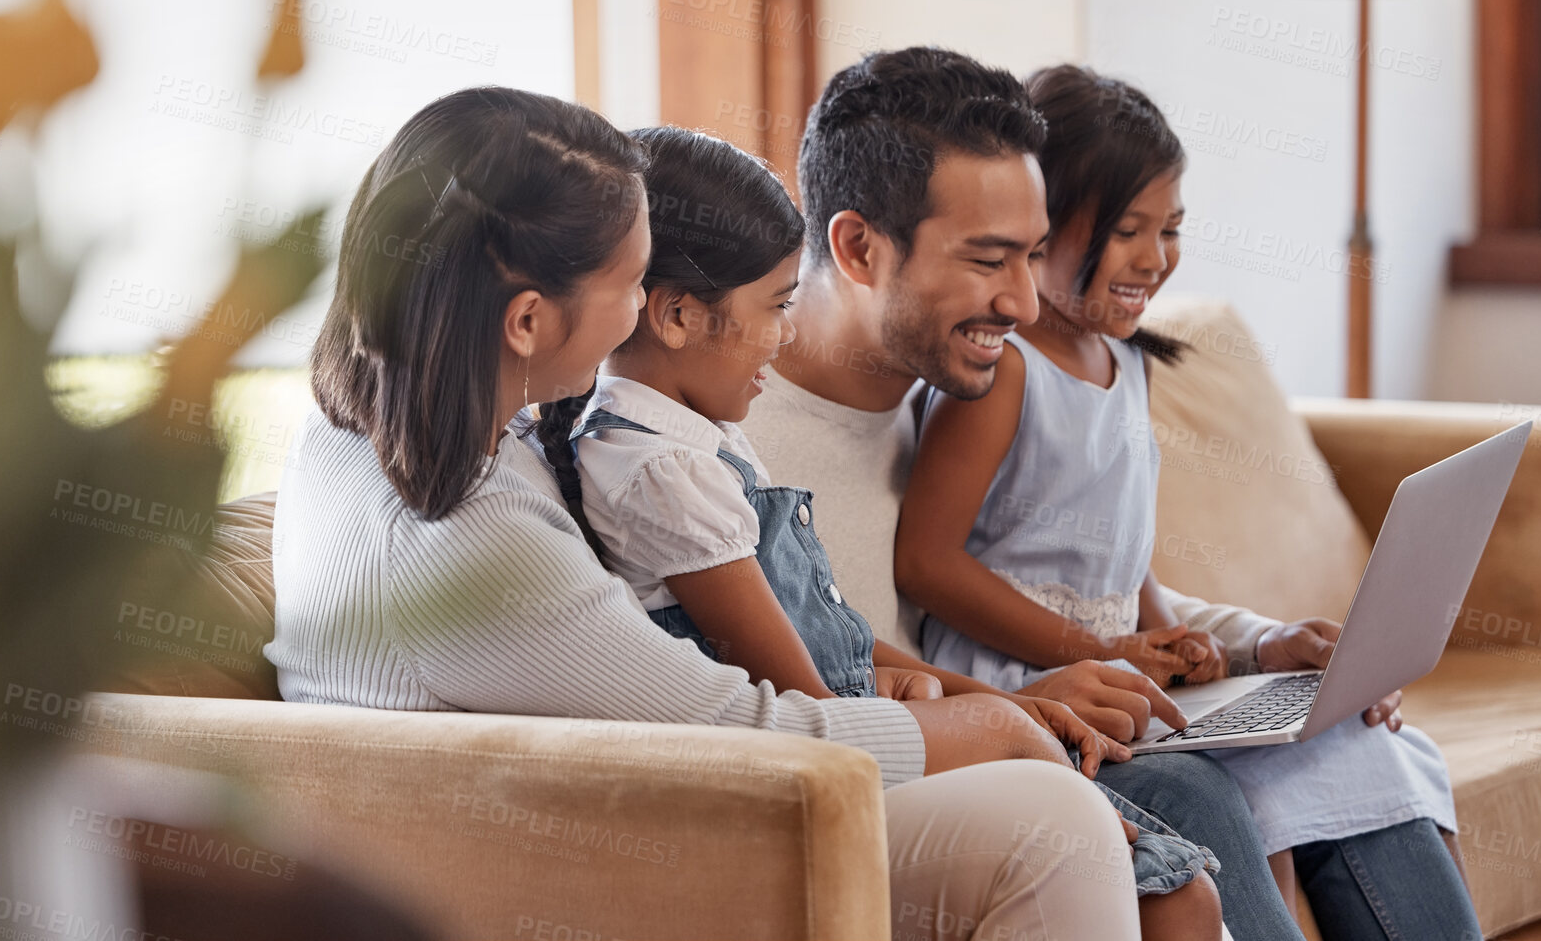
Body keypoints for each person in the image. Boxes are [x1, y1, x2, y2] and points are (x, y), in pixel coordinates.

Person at [264, 85, 1145, 940]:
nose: (644, 316)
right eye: (632, 281)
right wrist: (993, 719)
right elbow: (753, 732)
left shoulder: (365, 427)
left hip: (551, 825)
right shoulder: (468, 540)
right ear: (528, 320)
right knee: (1051, 821)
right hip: (539, 876)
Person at [538, 124, 1221, 938]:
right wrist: (990, 720)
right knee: (1172, 888)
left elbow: (829, 628)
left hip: (865, 728)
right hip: (830, 774)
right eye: (776, 306)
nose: (787, 333)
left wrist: (996, 701)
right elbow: (806, 706)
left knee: (1183, 892)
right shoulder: (660, 469)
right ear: (679, 314)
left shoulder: (700, 427)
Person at [737, 46, 1310, 941]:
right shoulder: (734, 442)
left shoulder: (959, 391)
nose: (1025, 304)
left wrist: (1249, 642)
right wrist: (1016, 700)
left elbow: (1094, 574)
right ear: (857, 247)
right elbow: (795, 692)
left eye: (1034, 255)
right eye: (988, 259)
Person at [896, 63, 1478, 939]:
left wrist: (1195, 638)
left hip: (1124, 677)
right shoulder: (1007, 371)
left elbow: (1114, 561)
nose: (1154, 258)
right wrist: (1102, 646)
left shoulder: (1126, 363)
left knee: (1362, 739)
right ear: (1040, 225)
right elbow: (926, 561)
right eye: (1126, 229)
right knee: (1232, 780)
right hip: (1039, 689)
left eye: (1169, 229)